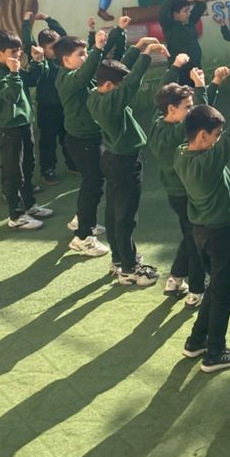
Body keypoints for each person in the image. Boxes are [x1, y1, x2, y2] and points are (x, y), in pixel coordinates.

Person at [174, 71, 230, 373]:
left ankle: (196, 340)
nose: (219, 139)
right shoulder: (209, 162)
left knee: (215, 288)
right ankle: (215, 353)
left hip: (201, 232)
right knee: (223, 293)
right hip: (222, 233)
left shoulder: (182, 153)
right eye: (215, 135)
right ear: (202, 136)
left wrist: (204, 90)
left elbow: (200, 118)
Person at [86, 36, 168, 287]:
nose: (122, 89)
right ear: (110, 85)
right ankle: (130, 270)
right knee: (125, 218)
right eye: (118, 86)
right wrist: (147, 55)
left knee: (113, 213)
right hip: (125, 163)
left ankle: (119, 259)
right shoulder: (112, 102)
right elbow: (131, 83)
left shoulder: (95, 94)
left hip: (112, 158)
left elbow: (118, 71)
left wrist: (137, 48)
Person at [149, 65, 230, 305]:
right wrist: (202, 86)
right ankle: (196, 291)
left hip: (177, 193)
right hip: (185, 194)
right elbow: (199, 118)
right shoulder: (175, 133)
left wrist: (213, 84)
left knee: (190, 235)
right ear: (171, 109)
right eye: (187, 107)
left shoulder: (158, 121)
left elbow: (199, 114)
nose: (191, 111)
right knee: (196, 243)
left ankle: (175, 277)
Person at [55, 25, 124, 257]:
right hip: (82, 141)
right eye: (81, 54)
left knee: (93, 183)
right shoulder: (68, 79)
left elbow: (93, 67)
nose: (85, 58)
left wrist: (114, 36)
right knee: (92, 185)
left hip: (91, 137)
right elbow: (85, 73)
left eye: (86, 53)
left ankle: (82, 219)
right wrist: (97, 48)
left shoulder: (77, 75)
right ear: (66, 60)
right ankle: (83, 237)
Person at [0, 29, 52, 231]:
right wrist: (15, 73)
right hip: (9, 129)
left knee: (28, 165)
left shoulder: (12, 69)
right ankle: (16, 216)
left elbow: (32, 80)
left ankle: (29, 205)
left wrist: (38, 61)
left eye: (19, 50)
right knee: (13, 172)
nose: (17, 55)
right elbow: (12, 96)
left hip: (24, 124)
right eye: (12, 51)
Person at [21, 11, 75, 184]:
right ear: (42, 48)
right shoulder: (40, 60)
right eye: (53, 47)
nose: (57, 50)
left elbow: (64, 36)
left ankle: (72, 163)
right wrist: (26, 22)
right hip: (47, 108)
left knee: (68, 137)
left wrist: (48, 19)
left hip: (64, 106)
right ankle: (47, 170)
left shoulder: (62, 59)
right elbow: (28, 41)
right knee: (48, 141)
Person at [160, 0, 207, 85]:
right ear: (175, 14)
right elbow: (163, 12)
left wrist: (198, 1)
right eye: (185, 11)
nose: (189, 13)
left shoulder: (189, 22)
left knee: (198, 92)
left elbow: (200, 8)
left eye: (189, 11)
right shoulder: (169, 26)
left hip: (195, 68)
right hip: (180, 72)